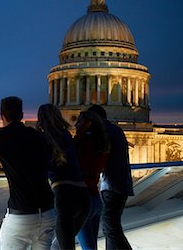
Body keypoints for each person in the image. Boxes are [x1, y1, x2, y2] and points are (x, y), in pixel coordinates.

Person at [0, 96, 55, 250]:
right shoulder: (37, 136)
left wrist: (4, 171)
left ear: (2, 116)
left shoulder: (1, 135)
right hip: (48, 213)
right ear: (22, 115)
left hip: (22, 215)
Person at [37, 104, 91, 250]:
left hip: (64, 196)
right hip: (83, 195)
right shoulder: (67, 136)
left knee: (64, 246)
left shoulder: (42, 139)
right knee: (60, 245)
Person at [88, 104, 134, 250]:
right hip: (121, 184)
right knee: (111, 227)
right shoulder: (116, 130)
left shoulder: (104, 132)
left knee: (111, 227)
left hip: (112, 186)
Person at [75, 110, 110, 250]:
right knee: (91, 246)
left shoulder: (81, 143)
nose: (76, 124)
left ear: (87, 124)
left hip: (82, 200)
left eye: (79, 121)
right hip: (95, 199)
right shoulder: (101, 144)